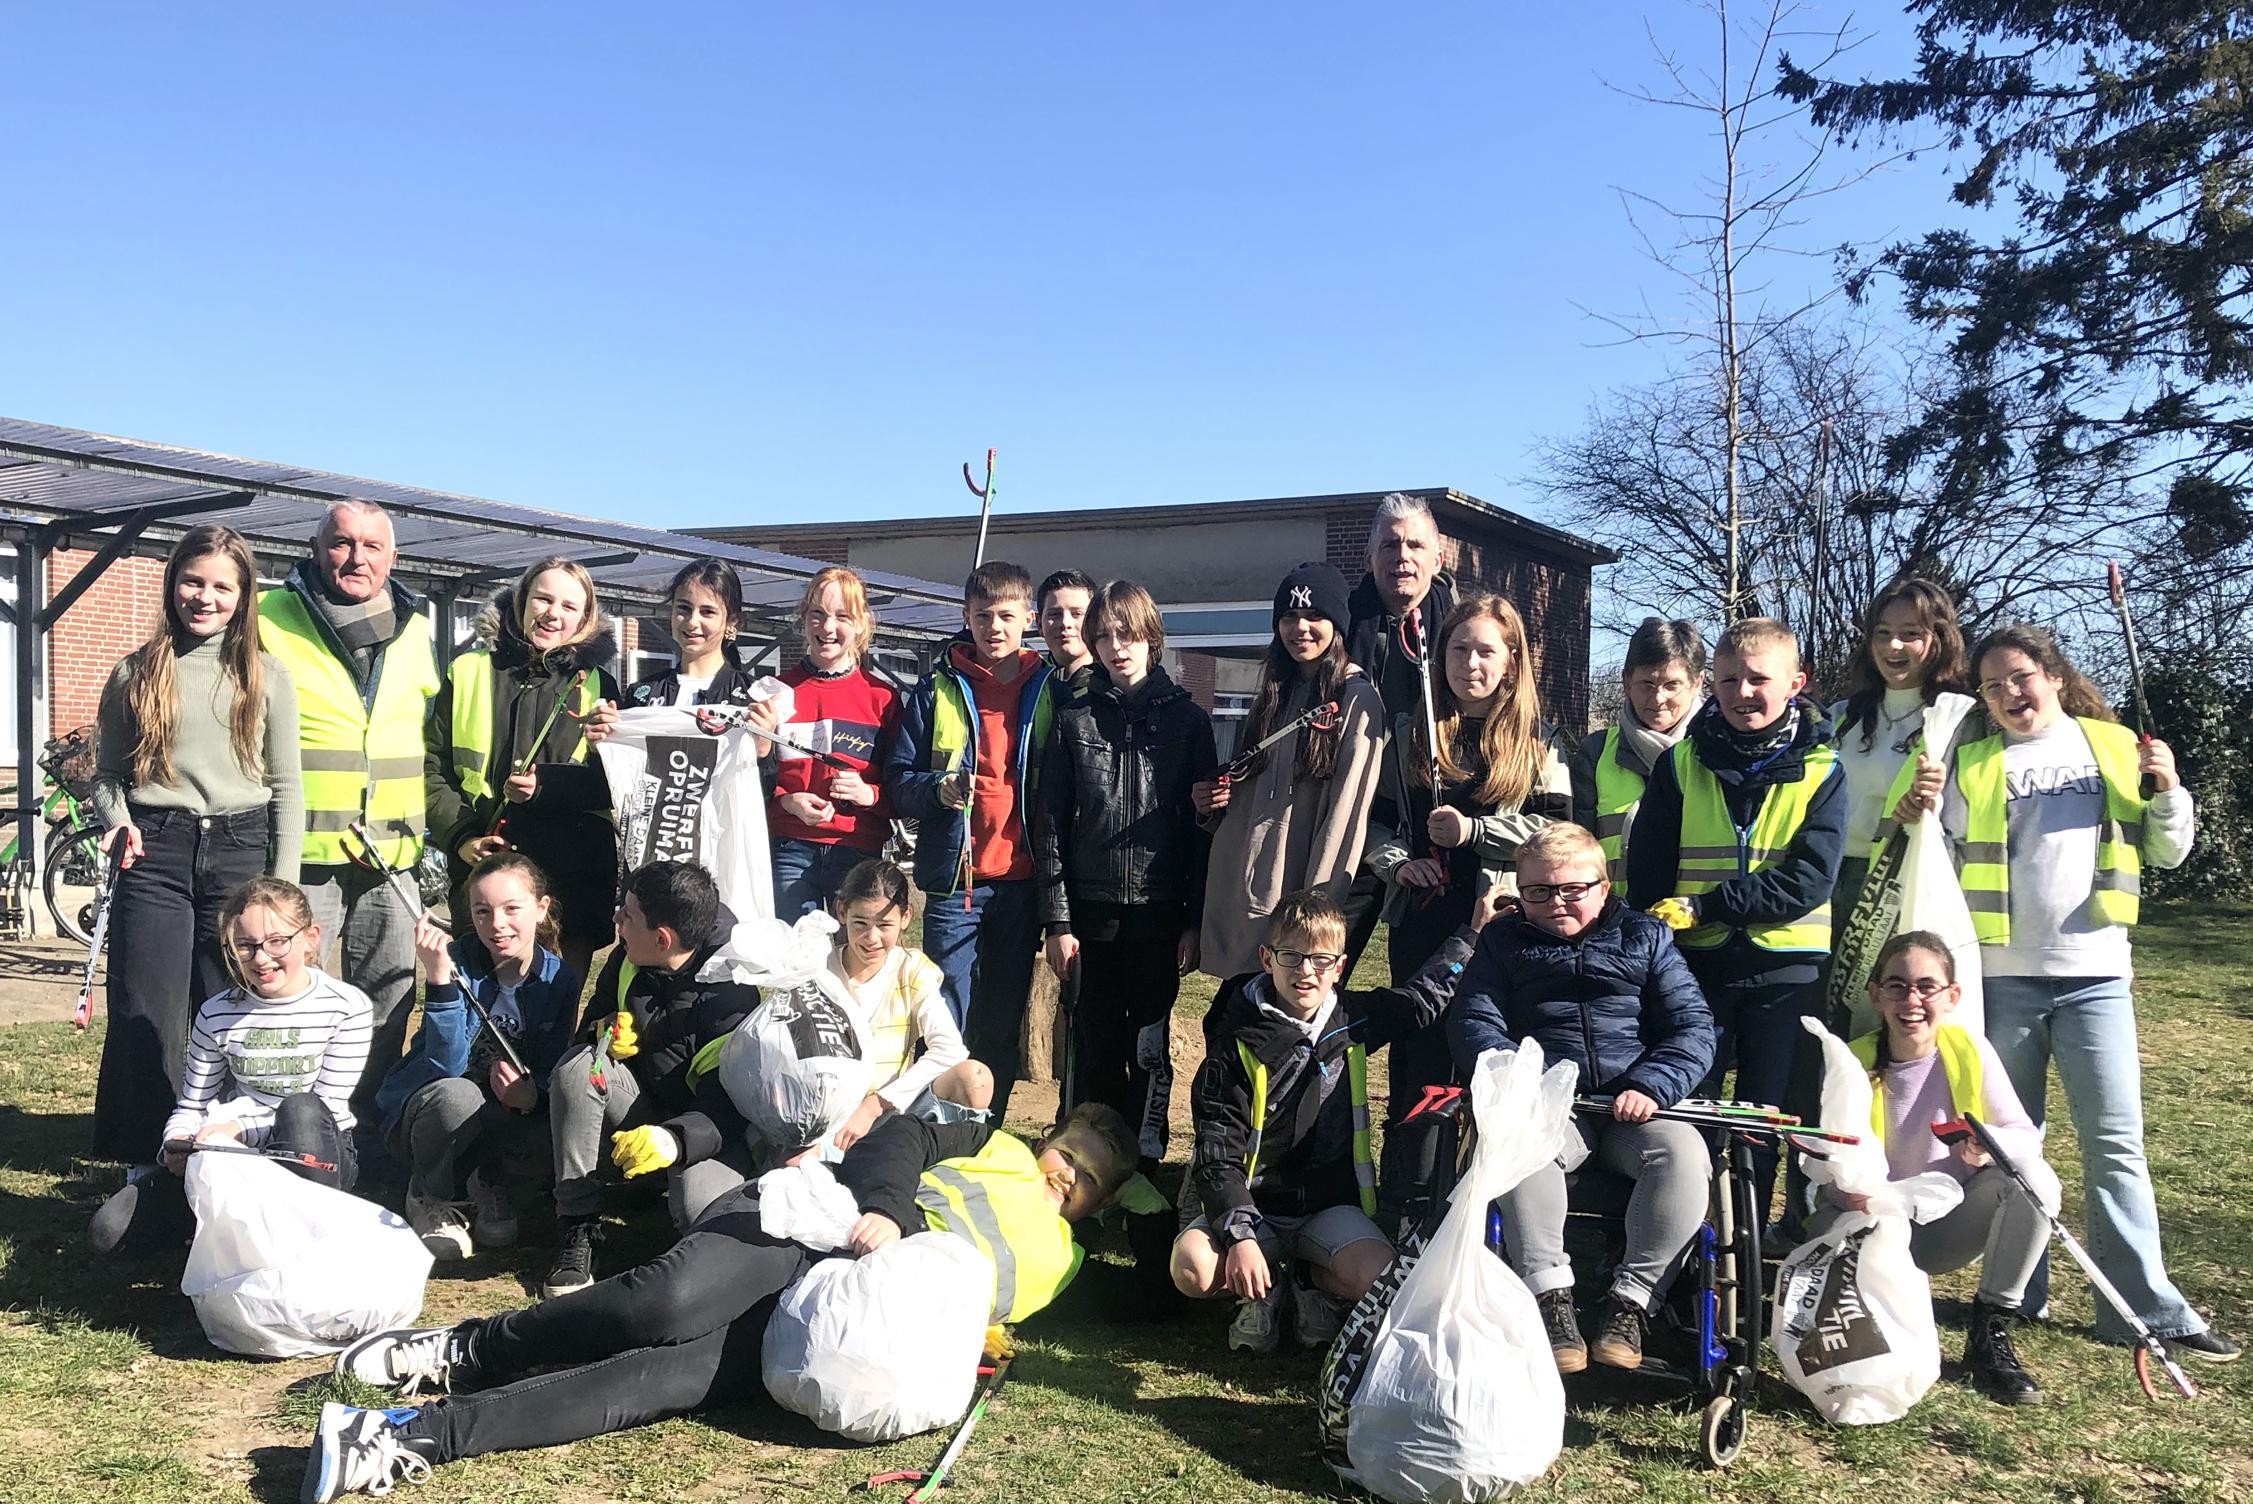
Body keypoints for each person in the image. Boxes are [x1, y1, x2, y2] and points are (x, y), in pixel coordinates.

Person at [305, 1105, 1141, 1501]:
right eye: (1066, 1152)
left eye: (1088, 1179)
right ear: (1044, 1139)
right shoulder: (990, 1141)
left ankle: (409, 1437)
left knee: (647, 1387)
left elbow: (1166, 1291)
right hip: (809, 1228)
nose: (1064, 1175)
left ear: (1101, 1204)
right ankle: (469, 1348)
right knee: (663, 1303)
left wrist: (1151, 1205)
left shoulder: (1067, 1266)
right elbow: (901, 1136)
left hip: (835, 1320)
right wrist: (886, 1209)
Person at [1891, 623, 2238, 1361]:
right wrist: (1913, 802)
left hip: (2096, 977)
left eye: (2019, 676)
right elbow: (1933, 855)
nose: (2008, 694)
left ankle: (2146, 1308)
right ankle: (2019, 1297)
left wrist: (2170, 787)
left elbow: (2168, 852)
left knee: (2115, 1145)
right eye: (1991, 685)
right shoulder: (1975, 761)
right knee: (2012, 1151)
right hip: (2003, 979)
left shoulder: (2110, 746)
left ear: (2050, 673)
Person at [1173, 886, 1502, 1353]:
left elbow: (1421, 1000)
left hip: (1326, 1204)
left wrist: (1474, 931)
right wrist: (1239, 1234)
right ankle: (1262, 1294)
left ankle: (1311, 1284)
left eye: (1321, 960)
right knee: (1192, 1268)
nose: (1306, 971)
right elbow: (1214, 1152)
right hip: (1254, 1202)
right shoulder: (1234, 1040)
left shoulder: (1352, 1018)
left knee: (1380, 1276)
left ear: (1340, 967)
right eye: (1292, 957)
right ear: (1267, 959)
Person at [1447, 823, 1715, 1374]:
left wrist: (1651, 1084)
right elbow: (1474, 1020)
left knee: (1684, 1153)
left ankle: (1633, 1304)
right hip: (1547, 1101)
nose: (1555, 902)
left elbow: (1692, 1027)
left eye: (1572, 888)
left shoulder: (1646, 937)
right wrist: (1523, 1081)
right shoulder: (1501, 943)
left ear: (1604, 882)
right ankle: (1549, 1301)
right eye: (1538, 892)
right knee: (1520, 1144)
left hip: (1631, 1104)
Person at [611, 857, 993, 1226]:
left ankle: (946, 1180)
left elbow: (950, 1050)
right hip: (822, 1111)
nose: (872, 938)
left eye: (885, 924)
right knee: (795, 1166)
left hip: (885, 1109)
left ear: (907, 918)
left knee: (974, 1078)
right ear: (841, 911)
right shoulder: (812, 965)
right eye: (860, 923)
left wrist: (877, 1104)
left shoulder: (913, 971)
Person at [1368, 593, 1590, 1223]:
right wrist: (1397, 863)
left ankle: (1492, 1214)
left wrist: (1472, 831)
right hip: (1426, 926)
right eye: (1458, 648)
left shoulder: (1541, 742)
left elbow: (1558, 838)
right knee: (1420, 1070)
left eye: (1485, 649)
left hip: (1503, 925)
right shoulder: (1415, 734)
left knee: (1495, 1071)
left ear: (1511, 659)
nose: (1470, 662)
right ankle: (1408, 1209)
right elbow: (1378, 824)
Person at [89, 525, 304, 1174]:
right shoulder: (136, 672)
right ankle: (150, 1161)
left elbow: (288, 785)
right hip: (154, 851)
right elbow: (105, 776)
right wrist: (118, 819)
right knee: (147, 1009)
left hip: (241, 853)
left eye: (221, 586)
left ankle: (230, 1153)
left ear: (243, 597)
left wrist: (283, 896)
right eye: (192, 581)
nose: (203, 597)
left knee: (231, 1008)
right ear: (171, 583)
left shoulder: (266, 676)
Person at [1627, 616, 1847, 1230]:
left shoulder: (1824, 768)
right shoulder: (1681, 764)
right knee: (1688, 1111)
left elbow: (1809, 880)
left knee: (1763, 1116)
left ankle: (1743, 1246)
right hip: (1698, 967)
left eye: (1758, 679)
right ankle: (1684, 1246)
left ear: (1796, 683)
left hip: (1786, 970)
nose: (1742, 692)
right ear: (1709, 685)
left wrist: (1709, 905)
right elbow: (1650, 870)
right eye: (1728, 680)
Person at [258, 500, 442, 1169]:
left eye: (371, 546)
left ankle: (364, 1131)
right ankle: (289, 1126)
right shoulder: (268, 617)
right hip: (303, 852)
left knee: (389, 996)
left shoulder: (417, 627)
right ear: (316, 548)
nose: (356, 558)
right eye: (341, 543)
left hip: (390, 851)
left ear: (393, 558)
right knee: (289, 995)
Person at [1810, 931, 2057, 1403]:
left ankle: (1990, 1335)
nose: (1913, 1000)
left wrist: (1988, 1146)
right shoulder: (1850, 1060)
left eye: (1927, 986)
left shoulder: (1970, 1050)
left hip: (1944, 1227)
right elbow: (1826, 1161)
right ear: (1875, 995)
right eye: (1897, 986)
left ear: (1952, 996)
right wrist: (1852, 1194)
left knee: (2036, 1182)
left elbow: (2025, 1138)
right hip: (1865, 1225)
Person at [89, 877, 373, 1254]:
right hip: (229, 1158)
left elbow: (327, 1108)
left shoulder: (347, 1007)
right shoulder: (217, 1011)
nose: (261, 958)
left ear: (310, 938)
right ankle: (222, 1233)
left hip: (314, 1153)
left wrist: (236, 1129)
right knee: (109, 1230)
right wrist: (177, 1144)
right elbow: (192, 1104)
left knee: (300, 1109)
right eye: (246, 945)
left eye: (277, 941)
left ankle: (302, 1242)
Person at [1037, 579, 1217, 1163]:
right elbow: (1051, 827)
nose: (1117, 646)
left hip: (1159, 916)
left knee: (1149, 1045)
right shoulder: (1073, 720)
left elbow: (1201, 835)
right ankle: (1088, 1164)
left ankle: (1144, 1159)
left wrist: (1193, 921)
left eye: (1128, 633)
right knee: (1093, 1045)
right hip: (1090, 914)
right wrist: (1058, 922)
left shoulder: (1190, 724)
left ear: (1152, 638)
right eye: (1105, 635)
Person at [884, 560, 1056, 1122]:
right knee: (944, 1018)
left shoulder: (1049, 686)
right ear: (966, 617)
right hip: (956, 886)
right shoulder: (937, 689)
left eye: (1007, 616)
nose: (995, 628)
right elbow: (899, 783)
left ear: (1028, 617)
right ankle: (934, 1129)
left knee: (1001, 1020)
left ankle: (987, 1128)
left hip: (1023, 886)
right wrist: (939, 789)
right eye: (983, 616)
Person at [543, 861, 756, 1296]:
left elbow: (731, 1105)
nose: (617, 921)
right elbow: (593, 1018)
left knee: (702, 1209)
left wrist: (675, 1140)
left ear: (663, 939)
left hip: (706, 1133)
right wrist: (603, 1033)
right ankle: (578, 1225)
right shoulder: (629, 953)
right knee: (578, 1066)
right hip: (641, 1104)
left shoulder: (734, 992)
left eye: (628, 915)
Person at [377, 852, 583, 1262]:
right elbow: (445, 1066)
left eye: (512, 909)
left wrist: (534, 1095)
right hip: (436, 1112)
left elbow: (553, 1063)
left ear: (541, 910)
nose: (497, 924)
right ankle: (430, 1193)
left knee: (549, 1120)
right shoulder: (455, 963)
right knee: (460, 1096)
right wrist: (439, 981)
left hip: (502, 1116)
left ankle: (486, 1181)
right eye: (483, 911)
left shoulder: (560, 978)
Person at [425, 557, 621, 986]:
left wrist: (546, 787)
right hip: (485, 869)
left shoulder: (602, 687)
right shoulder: (467, 671)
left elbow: (617, 787)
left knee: (555, 1016)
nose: (553, 613)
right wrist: (461, 838)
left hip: (571, 878)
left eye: (570, 606)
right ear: (521, 602)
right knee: (483, 1014)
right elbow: (431, 766)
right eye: (543, 599)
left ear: (586, 618)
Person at [1196, 562, 1385, 981]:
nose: (1300, 627)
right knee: (1238, 1017)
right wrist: (1211, 803)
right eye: (1289, 616)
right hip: (1245, 886)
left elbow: (1345, 818)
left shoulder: (1356, 700)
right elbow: (1242, 794)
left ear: (1337, 624)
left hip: (1300, 893)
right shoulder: (1272, 694)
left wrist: (1316, 915)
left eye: (1314, 615)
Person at [1339, 492, 1456, 970]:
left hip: (1436, 825)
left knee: (1421, 984)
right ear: (1370, 557)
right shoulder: (1338, 626)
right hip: (1352, 820)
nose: (1402, 557)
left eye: (1414, 545)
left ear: (1438, 557)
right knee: (1319, 966)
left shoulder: (1461, 633)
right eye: (1389, 545)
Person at [741, 566, 897, 920]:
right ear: (803, 619)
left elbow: (903, 788)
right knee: (795, 964)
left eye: (842, 616)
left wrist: (869, 794)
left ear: (861, 624)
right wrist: (786, 802)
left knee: (856, 961)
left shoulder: (883, 698)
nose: (828, 628)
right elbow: (747, 780)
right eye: (818, 615)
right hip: (790, 847)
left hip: (858, 847)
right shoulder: (773, 693)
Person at [1830, 577, 1971, 918]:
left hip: (1908, 881)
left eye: (1910, 634)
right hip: (1831, 880)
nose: (1893, 646)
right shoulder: (1841, 715)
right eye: (1882, 633)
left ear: (1939, 639)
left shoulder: (1960, 718)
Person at [1585, 617, 1706, 882]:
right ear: (1626, 682)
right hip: (1617, 918)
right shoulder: (1595, 752)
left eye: (1672, 685)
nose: (1658, 698)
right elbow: (1577, 853)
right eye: (1647, 685)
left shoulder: (1719, 752)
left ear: (1697, 683)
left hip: (1700, 917)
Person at [622, 559, 759, 712]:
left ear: (732, 621)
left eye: (707, 612)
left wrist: (765, 735)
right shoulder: (641, 694)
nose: (692, 622)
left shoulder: (754, 697)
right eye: (684, 608)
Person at [1037, 568, 1098, 709]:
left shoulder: (1113, 686)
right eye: (1055, 614)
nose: (1065, 623)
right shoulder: (1029, 687)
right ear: (1040, 624)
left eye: (1077, 614)